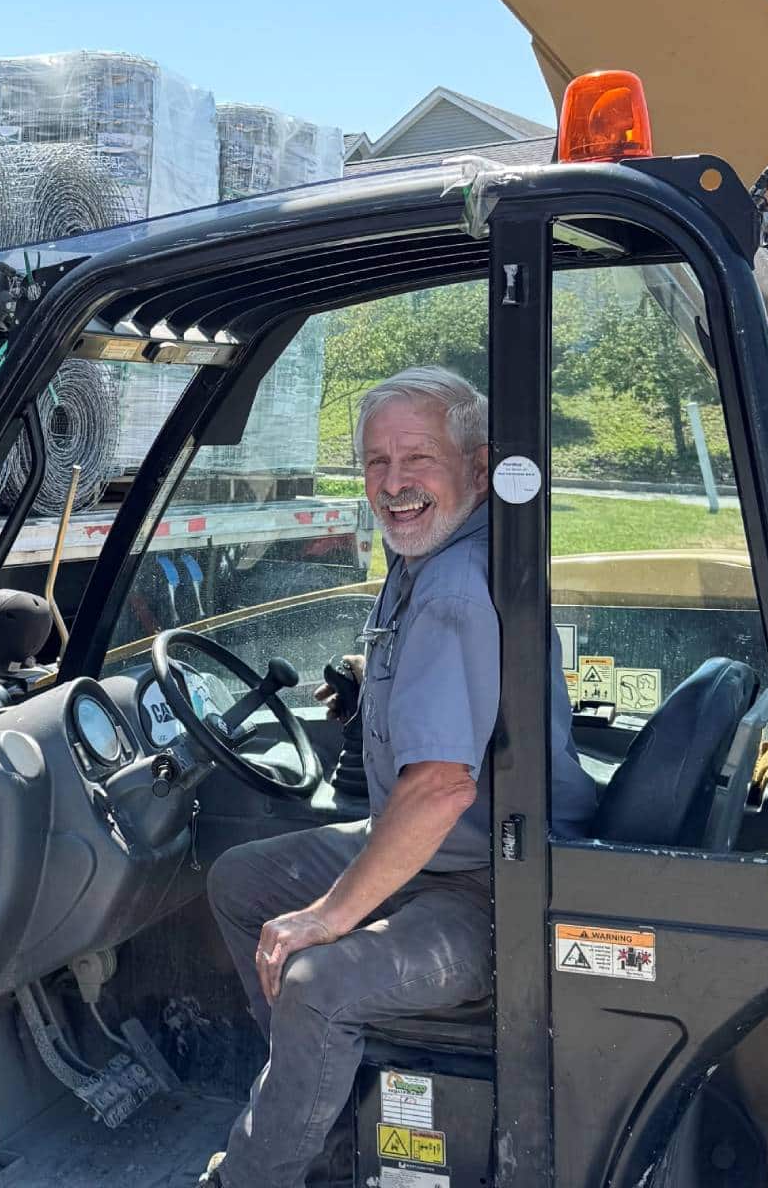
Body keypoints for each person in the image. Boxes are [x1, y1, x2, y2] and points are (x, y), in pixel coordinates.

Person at [201, 366, 595, 1188]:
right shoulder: (437, 552)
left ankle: (263, 1173)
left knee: (311, 976)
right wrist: (367, 693)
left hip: (495, 894)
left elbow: (443, 786)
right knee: (244, 881)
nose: (393, 483)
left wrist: (327, 915)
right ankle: (324, 1116)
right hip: (452, 855)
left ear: (478, 467)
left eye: (417, 458)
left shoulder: (453, 585)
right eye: (375, 462)